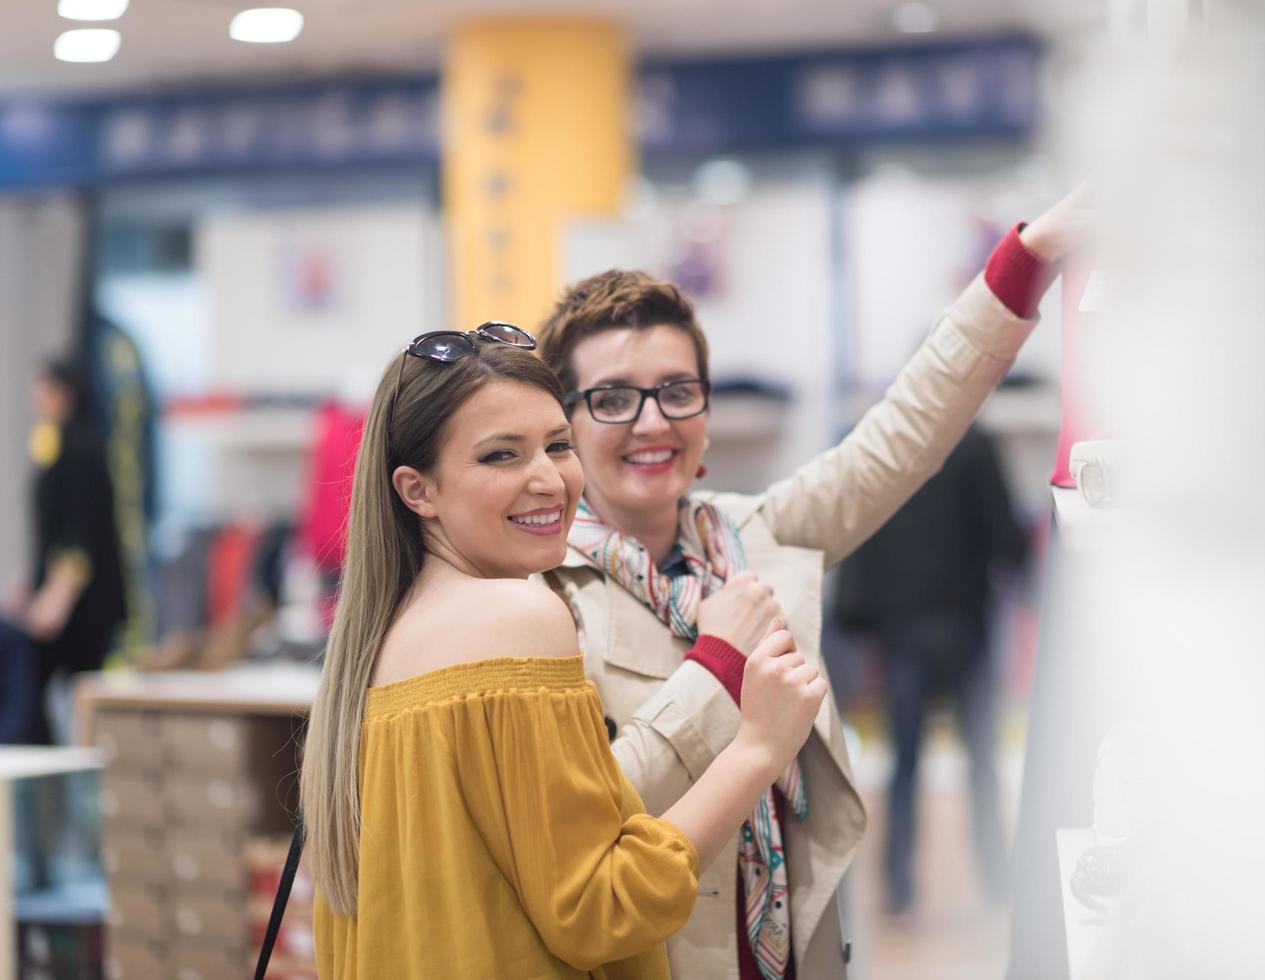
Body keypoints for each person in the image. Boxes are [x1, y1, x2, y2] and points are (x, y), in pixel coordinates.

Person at [534, 185, 1086, 979]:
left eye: (676, 392)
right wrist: (716, 664)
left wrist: (1026, 259)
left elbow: (909, 427)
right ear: (566, 425)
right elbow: (583, 830)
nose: (652, 423)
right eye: (613, 400)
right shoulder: (545, 602)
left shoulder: (752, 536)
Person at [299, 323, 827, 980]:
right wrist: (758, 748)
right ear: (418, 491)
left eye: (557, 445)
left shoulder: (377, 642)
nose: (549, 479)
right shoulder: (517, 616)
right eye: (501, 455)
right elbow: (600, 908)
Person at [835, 422, 1028, 913]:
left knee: (904, 765)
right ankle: (998, 882)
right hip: (966, 628)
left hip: (904, 633)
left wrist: (859, 618)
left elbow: (863, 535)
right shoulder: (977, 443)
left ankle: (899, 889)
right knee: (980, 764)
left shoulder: (888, 440)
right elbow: (1005, 535)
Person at [5, 359, 127, 744]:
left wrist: (57, 597)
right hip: (67, 598)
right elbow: (54, 532)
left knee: (65, 699)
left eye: (44, 390)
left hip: (83, 607)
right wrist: (30, 580)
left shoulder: (81, 449)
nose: (37, 399)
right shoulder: (58, 445)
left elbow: (80, 534)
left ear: (65, 393)